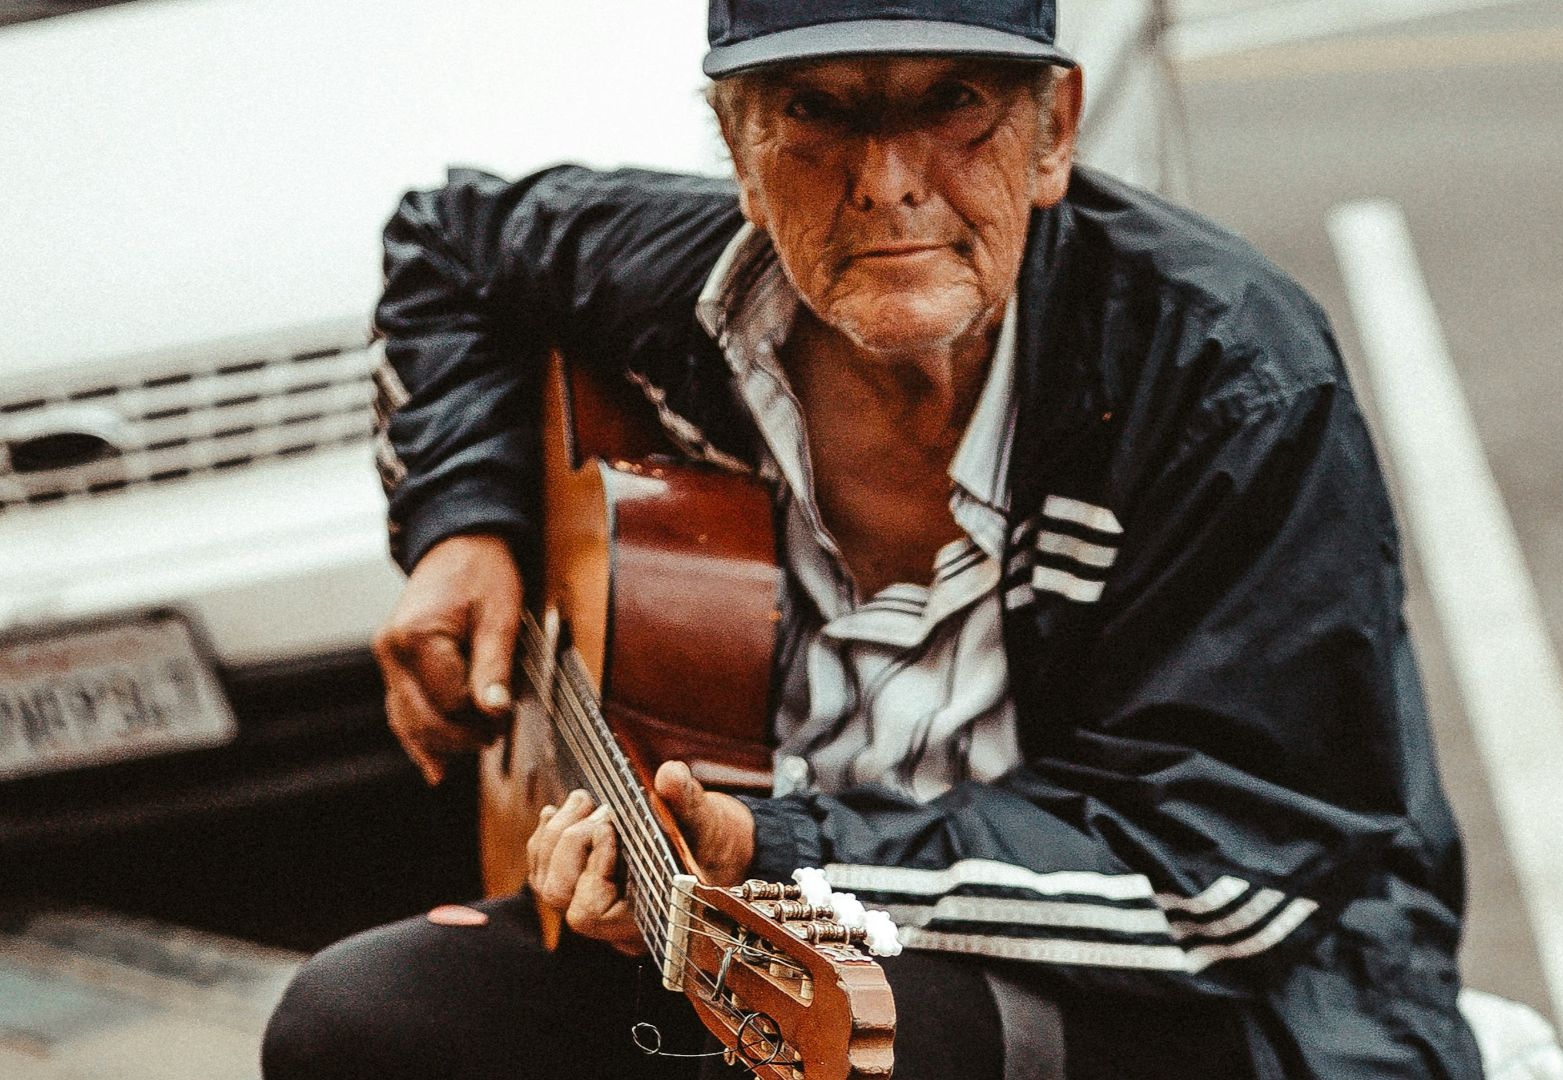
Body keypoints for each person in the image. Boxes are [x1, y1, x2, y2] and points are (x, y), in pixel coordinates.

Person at [264, 2, 1484, 1077]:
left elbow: (1223, 883)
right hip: (760, 940)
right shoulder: (679, 285)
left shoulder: (1227, 378)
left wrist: (774, 855)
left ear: (1053, 130)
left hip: (1205, 995)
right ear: (741, 148)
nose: (887, 180)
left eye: (954, 105)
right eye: (819, 113)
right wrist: (464, 530)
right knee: (351, 1021)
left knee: (807, 1051)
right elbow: (447, 246)